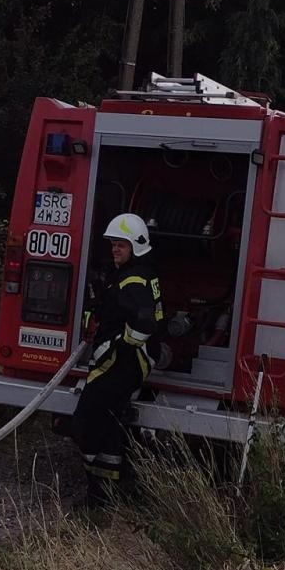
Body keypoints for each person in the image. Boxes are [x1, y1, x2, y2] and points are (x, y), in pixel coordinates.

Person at [70, 213, 164, 505]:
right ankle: (102, 494)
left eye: (120, 245)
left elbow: (145, 323)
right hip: (125, 361)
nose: (114, 250)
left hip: (124, 362)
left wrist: (120, 346)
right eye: (112, 245)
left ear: (135, 246)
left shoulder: (134, 279)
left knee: (86, 419)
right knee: (110, 424)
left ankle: (98, 492)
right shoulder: (134, 274)